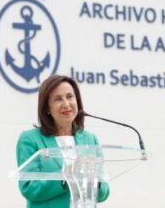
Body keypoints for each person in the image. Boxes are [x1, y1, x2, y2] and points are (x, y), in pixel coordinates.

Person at [16, 75, 110, 208]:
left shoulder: (90, 139)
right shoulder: (30, 139)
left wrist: (94, 179)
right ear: (47, 108)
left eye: (70, 96)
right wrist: (68, 175)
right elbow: (29, 188)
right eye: (58, 99)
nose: (66, 104)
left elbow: (103, 194)